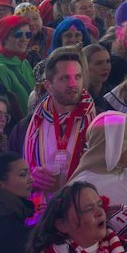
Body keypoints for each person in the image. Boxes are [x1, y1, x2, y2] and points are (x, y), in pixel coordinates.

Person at [24, 47, 95, 205]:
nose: (73, 84)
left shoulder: (98, 122)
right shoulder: (30, 125)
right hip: (42, 210)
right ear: (48, 86)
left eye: (77, 77)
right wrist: (30, 176)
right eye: (64, 78)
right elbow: (16, 171)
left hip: (83, 207)